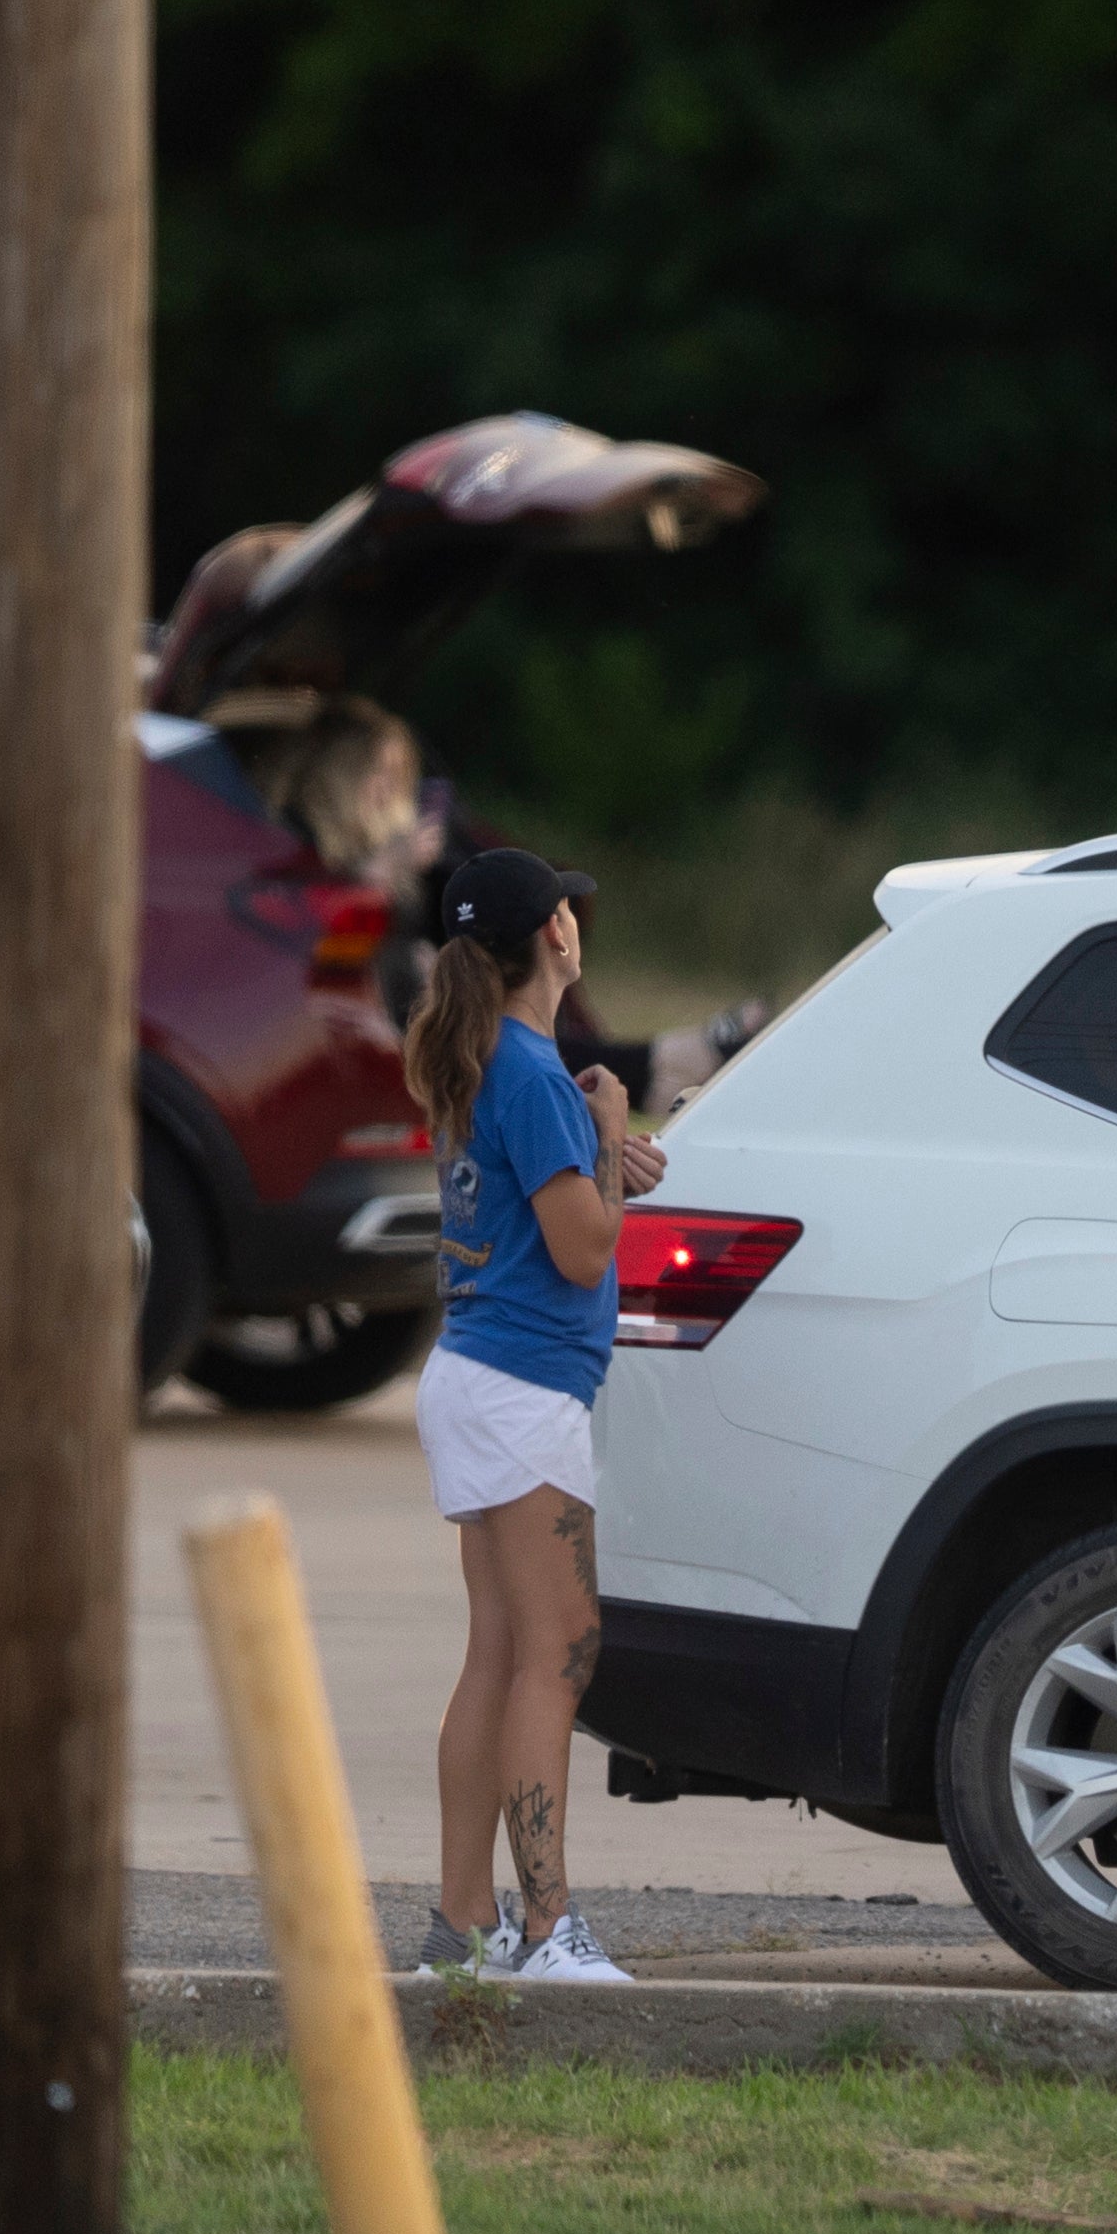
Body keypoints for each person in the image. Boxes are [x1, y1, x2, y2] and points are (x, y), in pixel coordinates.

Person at [405, 845, 669, 1984]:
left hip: (472, 1376)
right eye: (569, 907)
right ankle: (549, 1927)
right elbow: (581, 1249)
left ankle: (463, 1928)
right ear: (554, 936)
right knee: (556, 1656)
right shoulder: (541, 1076)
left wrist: (603, 1152)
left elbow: (550, 1210)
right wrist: (605, 1132)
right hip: (522, 1391)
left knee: (500, 1654)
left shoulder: (483, 1062)